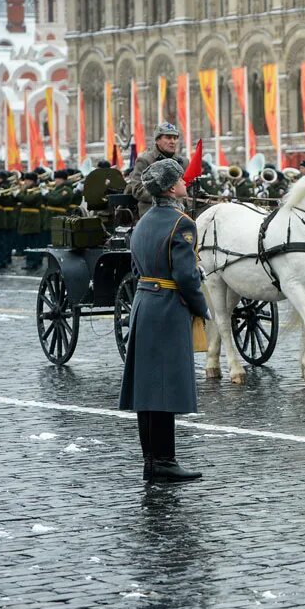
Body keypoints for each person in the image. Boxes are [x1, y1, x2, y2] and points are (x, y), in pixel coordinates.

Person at [118, 158, 209, 482]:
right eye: (181, 180)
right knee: (166, 387)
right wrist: (202, 308)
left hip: (145, 304)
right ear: (172, 188)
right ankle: (165, 461)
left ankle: (152, 461)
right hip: (168, 306)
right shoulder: (181, 223)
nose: (186, 183)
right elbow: (186, 276)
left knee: (147, 389)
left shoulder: (142, 223)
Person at [127, 123, 188, 216]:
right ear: (157, 140)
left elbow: (190, 186)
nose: (173, 141)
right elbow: (137, 189)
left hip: (180, 211)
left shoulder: (183, 162)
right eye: (168, 137)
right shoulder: (145, 160)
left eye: (175, 138)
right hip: (153, 212)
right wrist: (164, 194)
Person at [0, 170, 14, 269]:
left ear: (1, 178)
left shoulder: (5, 187)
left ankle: (1, 260)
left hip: (0, 218)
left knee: (0, 241)